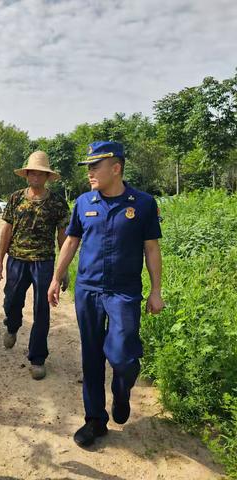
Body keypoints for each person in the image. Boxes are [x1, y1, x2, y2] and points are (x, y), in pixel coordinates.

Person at [47, 141, 164, 447]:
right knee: (92, 355)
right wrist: (56, 278)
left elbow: (151, 249)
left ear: (116, 168)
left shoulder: (143, 203)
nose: (90, 173)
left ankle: (122, 390)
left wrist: (156, 291)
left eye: (95, 166)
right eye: (88, 167)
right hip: (88, 289)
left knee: (123, 354)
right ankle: (95, 420)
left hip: (124, 292)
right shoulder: (84, 202)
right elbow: (71, 241)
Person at [0, 151, 70, 380]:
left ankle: (37, 358)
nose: (35, 176)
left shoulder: (57, 202)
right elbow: (6, 229)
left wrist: (62, 270)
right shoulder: (16, 198)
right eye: (32, 172)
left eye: (40, 173)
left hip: (44, 262)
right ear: (26, 175)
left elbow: (63, 235)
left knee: (42, 310)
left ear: (47, 176)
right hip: (16, 259)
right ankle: (12, 324)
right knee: (12, 300)